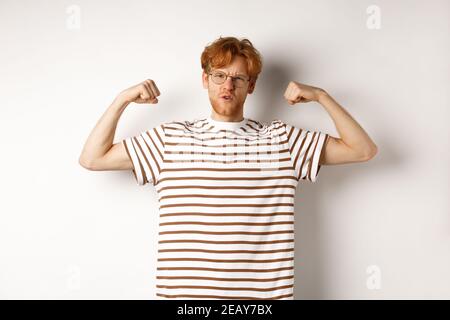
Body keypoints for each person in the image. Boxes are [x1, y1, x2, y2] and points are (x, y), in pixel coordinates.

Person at [79, 36, 377, 300]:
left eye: (238, 78)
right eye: (219, 75)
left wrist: (322, 97)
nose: (228, 85)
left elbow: (362, 150)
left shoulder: (281, 139)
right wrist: (122, 100)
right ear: (205, 80)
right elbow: (93, 158)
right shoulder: (170, 138)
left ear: (252, 86)